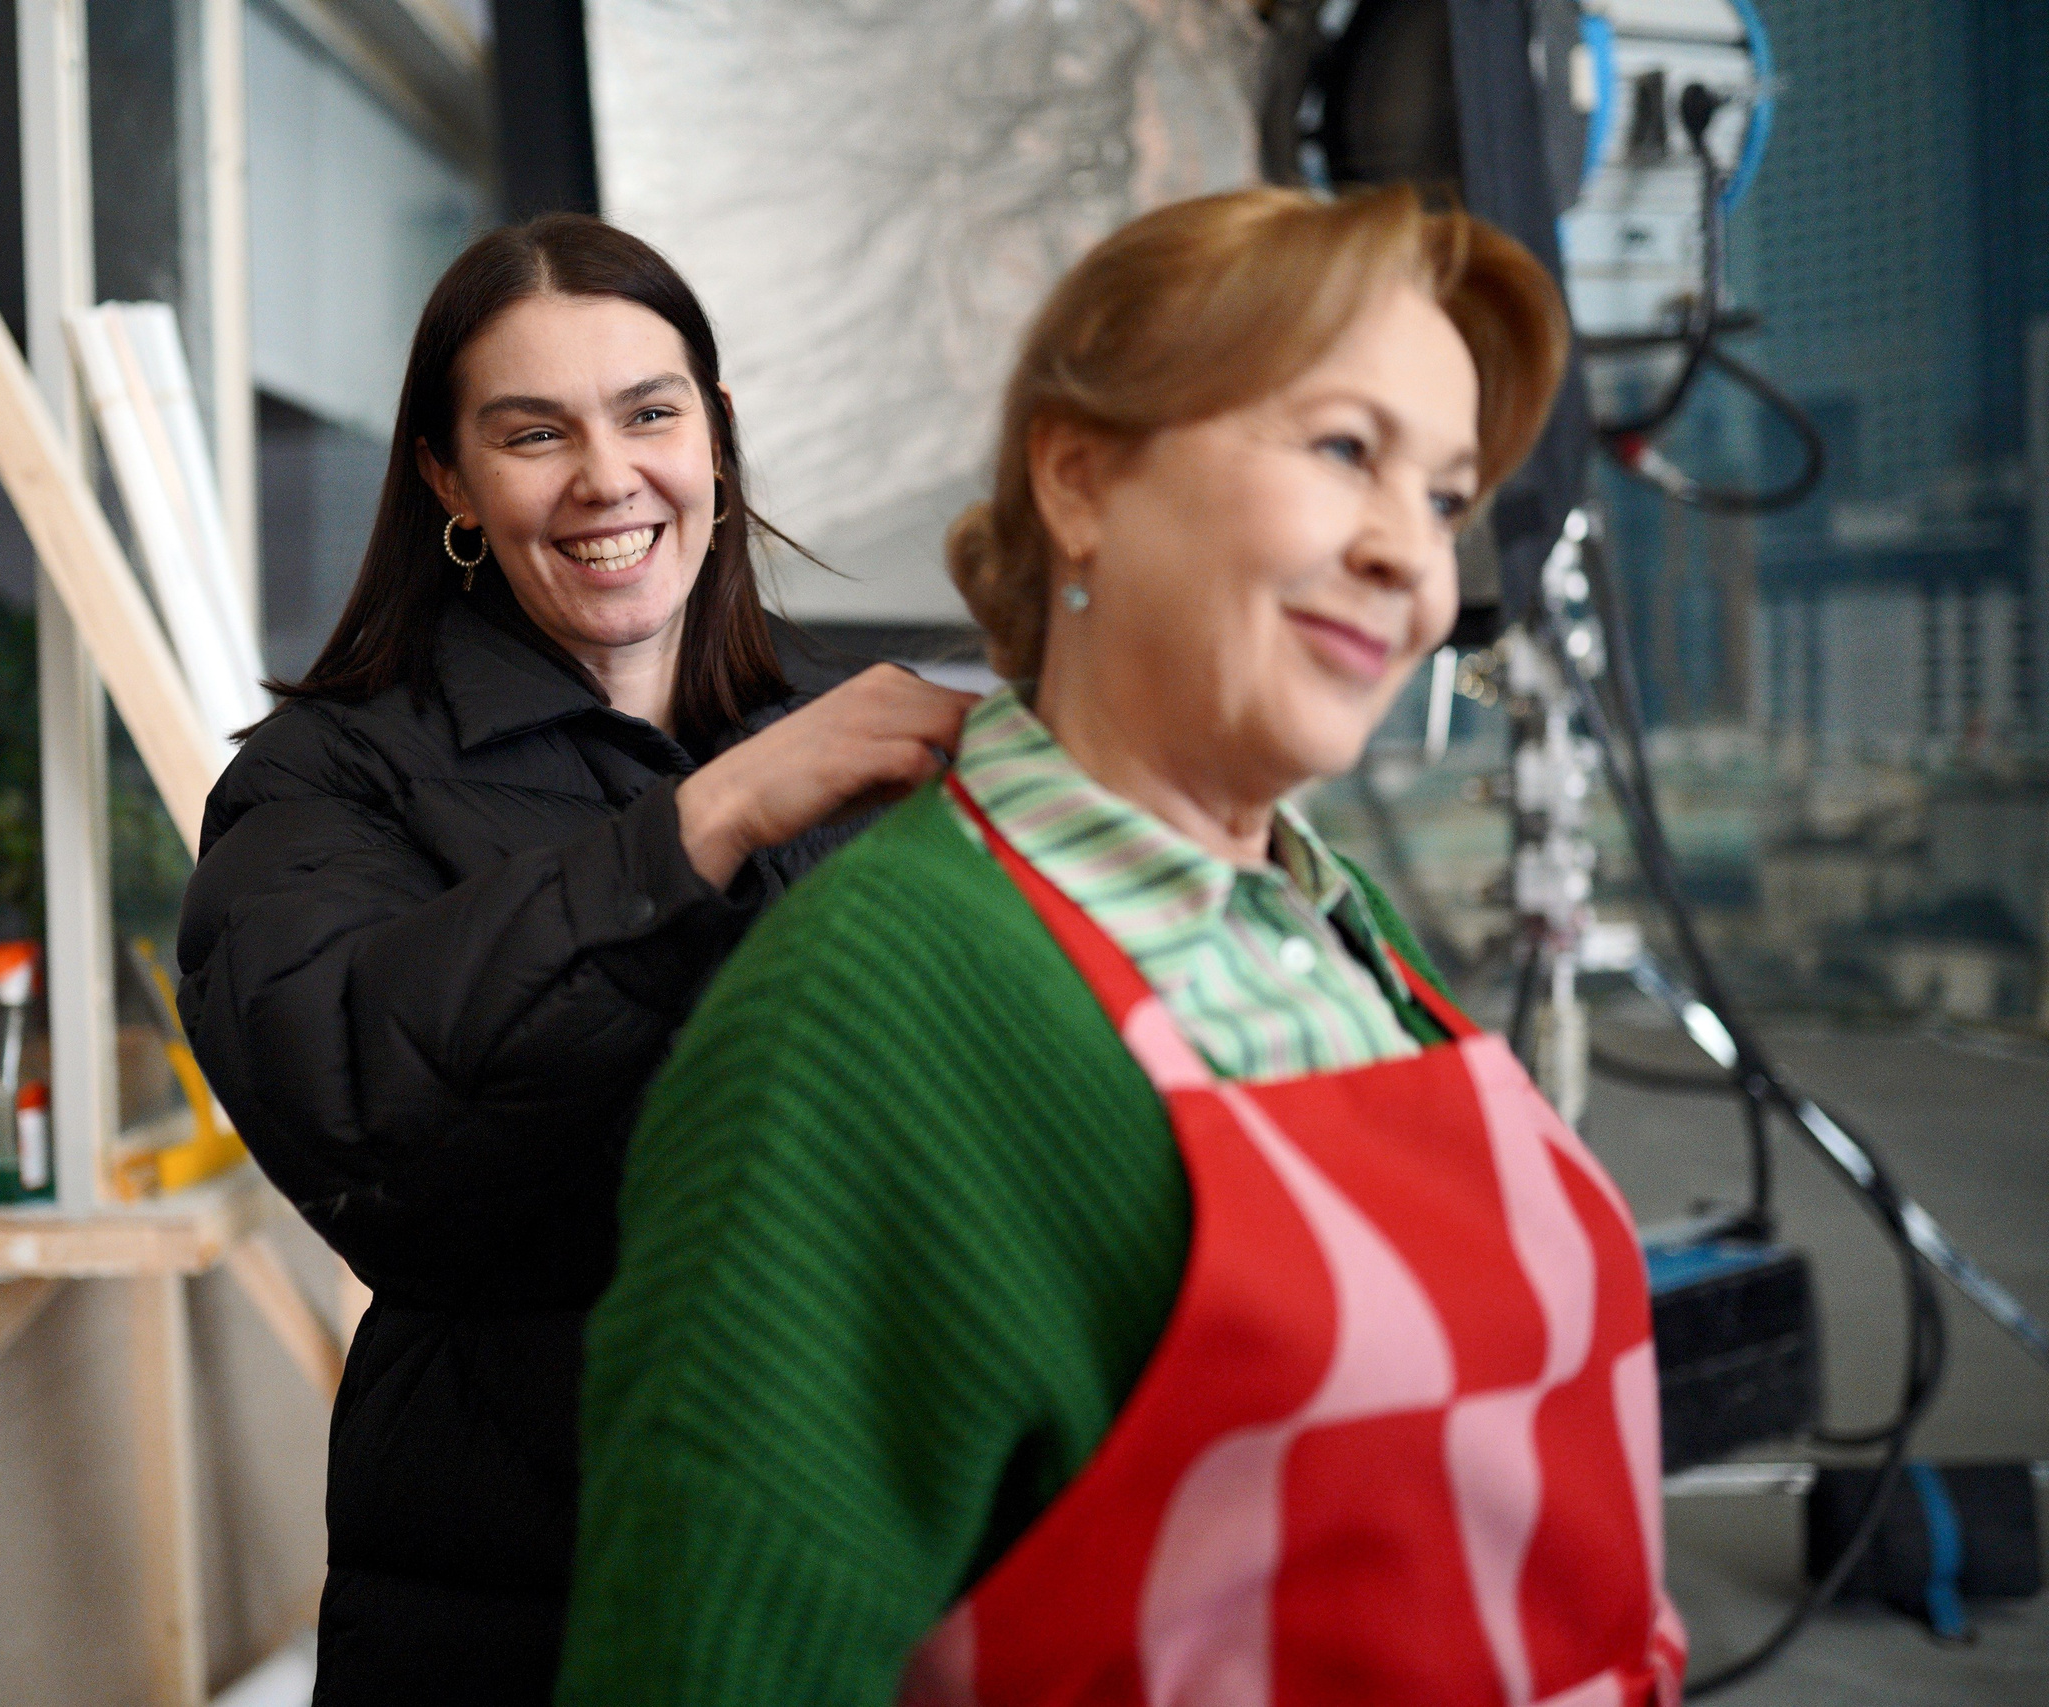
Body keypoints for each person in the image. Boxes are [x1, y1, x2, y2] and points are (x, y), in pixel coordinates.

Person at [560, 184, 1686, 1706]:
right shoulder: (871, 1013)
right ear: (1081, 479)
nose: (1412, 565)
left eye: (1442, 499)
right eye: (1344, 450)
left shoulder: (1326, 918)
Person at [176, 213, 975, 1705]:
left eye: (648, 413)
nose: (607, 476)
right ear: (447, 477)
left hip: (866, 1572)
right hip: (525, 1600)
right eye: (534, 432)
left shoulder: (858, 731)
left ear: (714, 433)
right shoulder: (326, 781)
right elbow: (351, 1105)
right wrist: (708, 821)